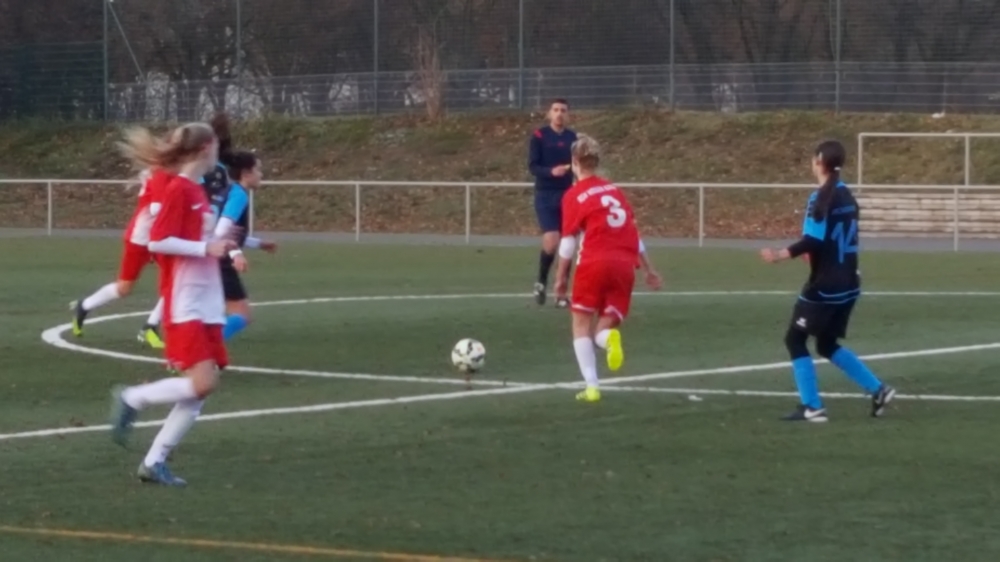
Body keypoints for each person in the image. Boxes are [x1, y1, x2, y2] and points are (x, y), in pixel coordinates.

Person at [109, 122, 238, 486]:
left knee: (203, 385)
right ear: (206, 148)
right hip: (185, 301)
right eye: (216, 148)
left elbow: (198, 240)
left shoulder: (195, 190)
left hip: (206, 301)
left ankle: (155, 462)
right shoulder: (179, 189)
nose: (218, 155)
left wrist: (225, 244)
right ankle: (133, 398)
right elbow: (159, 241)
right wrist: (207, 246)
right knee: (202, 383)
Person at [760, 140, 896, 423]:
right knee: (826, 344)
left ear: (818, 162)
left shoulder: (821, 197)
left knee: (795, 339)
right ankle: (878, 389)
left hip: (826, 286)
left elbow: (813, 239)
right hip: (850, 282)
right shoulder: (848, 196)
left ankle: (811, 406)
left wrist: (780, 255)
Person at [553, 135, 663, 403]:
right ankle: (606, 337)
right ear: (597, 161)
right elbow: (634, 234)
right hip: (625, 265)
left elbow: (568, 243)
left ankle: (592, 387)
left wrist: (560, 278)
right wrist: (649, 269)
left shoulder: (574, 195)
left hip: (593, 263)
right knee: (604, 324)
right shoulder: (615, 191)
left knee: (580, 323)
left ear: (575, 161)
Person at [70, 169, 168, 349]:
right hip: (140, 239)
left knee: (176, 282)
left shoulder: (174, 173)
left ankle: (150, 327)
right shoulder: (160, 174)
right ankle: (84, 306)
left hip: (162, 240)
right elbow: (156, 209)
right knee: (124, 288)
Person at [213, 151, 277, 341]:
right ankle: (204, 349)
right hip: (222, 262)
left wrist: (259, 244)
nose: (261, 174)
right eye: (258, 170)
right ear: (246, 173)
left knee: (207, 314)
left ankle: (200, 348)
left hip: (212, 259)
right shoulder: (239, 195)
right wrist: (235, 254)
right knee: (243, 315)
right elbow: (222, 230)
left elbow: (229, 233)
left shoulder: (228, 191)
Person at [528, 98, 577, 308]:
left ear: (568, 114)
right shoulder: (539, 136)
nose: (559, 113)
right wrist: (550, 171)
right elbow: (532, 166)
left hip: (568, 195)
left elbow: (578, 164)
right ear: (549, 113)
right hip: (546, 194)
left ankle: (561, 293)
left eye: (563, 110)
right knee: (552, 240)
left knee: (568, 243)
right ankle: (541, 282)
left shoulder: (573, 138)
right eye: (555, 110)